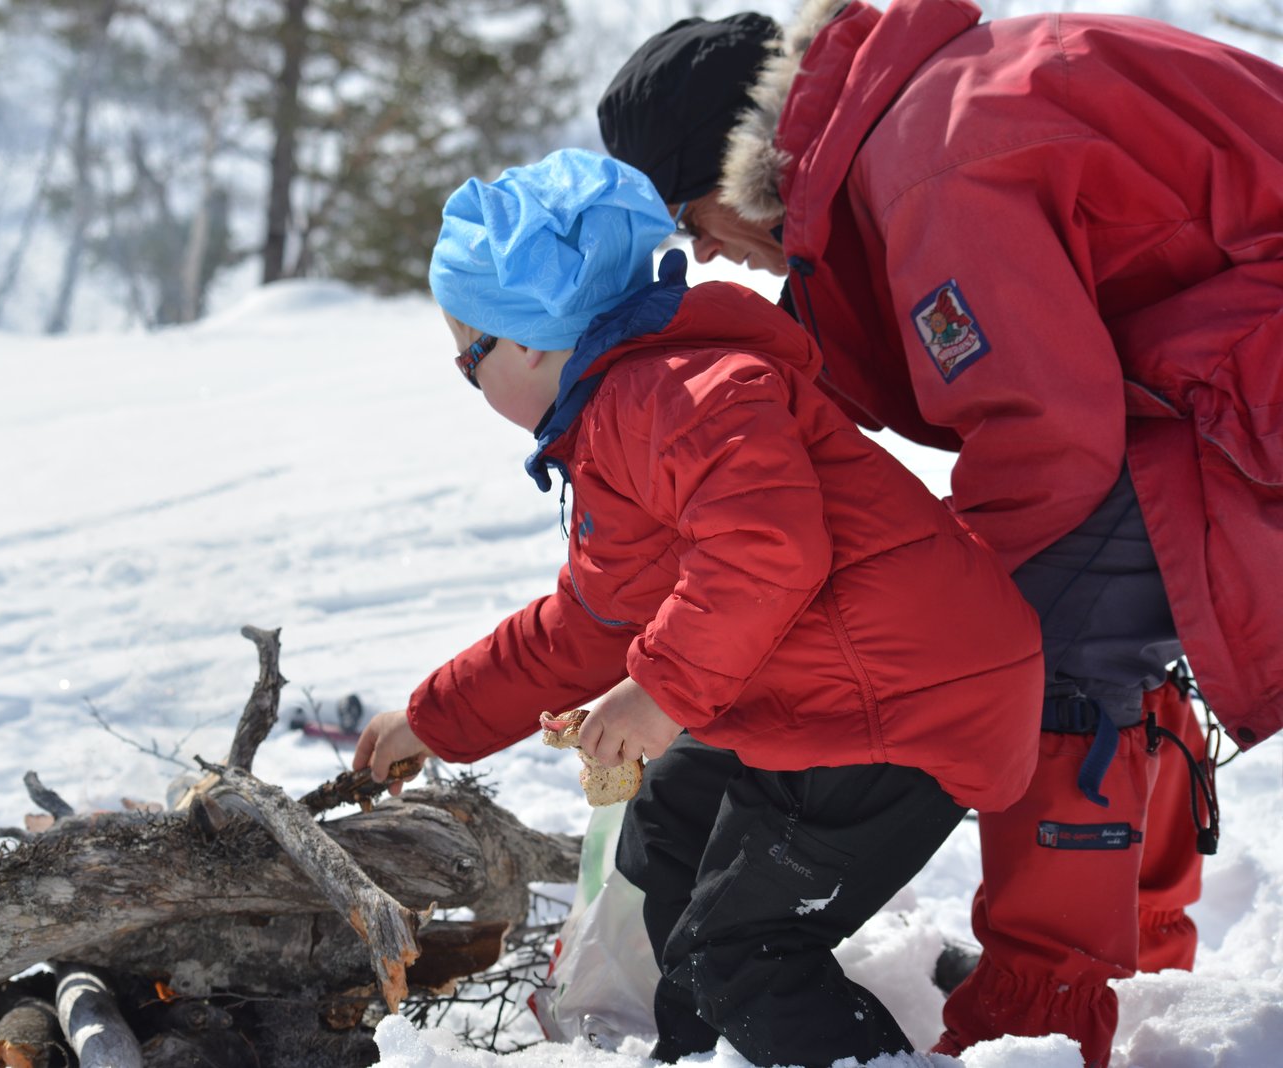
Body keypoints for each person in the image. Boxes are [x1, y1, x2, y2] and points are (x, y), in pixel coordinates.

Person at [595, 2, 1283, 1064]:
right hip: (1211, 364)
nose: (708, 253)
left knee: (1037, 638)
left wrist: (938, 612)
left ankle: (1041, 1016)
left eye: (691, 219)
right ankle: (1131, 954)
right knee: (1085, 599)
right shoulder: (917, 120)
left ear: (737, 163)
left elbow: (1046, 438)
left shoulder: (933, 162)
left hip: (1233, 371)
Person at [353, 146, 1045, 1066]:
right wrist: (432, 718)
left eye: (467, 358)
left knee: (741, 955)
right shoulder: (623, 411)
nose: (468, 378)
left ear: (528, 344)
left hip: (900, 706)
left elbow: (768, 547)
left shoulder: (672, 395)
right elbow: (586, 625)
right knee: (669, 821)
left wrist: (660, 693)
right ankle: (700, 1051)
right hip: (834, 689)